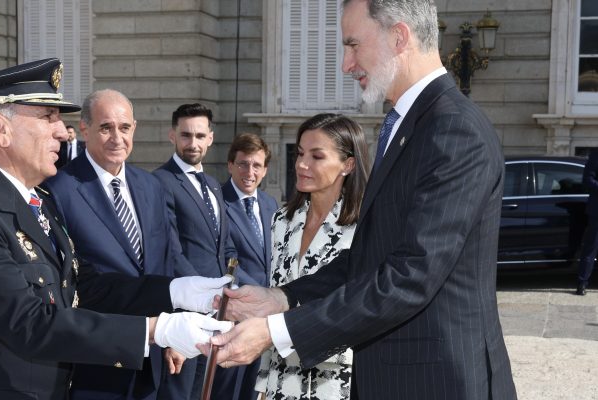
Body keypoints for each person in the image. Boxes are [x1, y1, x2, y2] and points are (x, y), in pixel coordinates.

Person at [205, 1, 518, 399]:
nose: (345, 64)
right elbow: (370, 256)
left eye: (353, 45)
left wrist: (277, 332)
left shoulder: (454, 131)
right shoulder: (413, 123)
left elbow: (410, 275)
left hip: (438, 383)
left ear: (399, 36)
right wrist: (281, 297)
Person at [0, 58, 233, 400]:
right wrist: (156, 330)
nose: (62, 132)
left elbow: (84, 289)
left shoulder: (37, 199)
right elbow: (28, 321)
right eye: (47, 117)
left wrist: (176, 291)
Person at [44, 89, 196, 400]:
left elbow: (165, 263)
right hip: (95, 361)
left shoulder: (152, 187)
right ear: (84, 129)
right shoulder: (58, 190)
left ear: (134, 129)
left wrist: (170, 335)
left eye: (124, 128)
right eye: (106, 127)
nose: (117, 138)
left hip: (152, 359)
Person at [255, 114, 369, 399]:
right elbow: (275, 297)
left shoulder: (367, 227)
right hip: (281, 379)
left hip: (338, 382)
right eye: (300, 153)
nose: (302, 164)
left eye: (317, 156)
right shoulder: (281, 220)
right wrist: (262, 385)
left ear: (348, 164)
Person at [153, 103, 235, 399]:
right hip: (185, 311)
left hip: (214, 310)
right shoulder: (160, 182)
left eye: (200, 136)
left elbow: (224, 246)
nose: (193, 143)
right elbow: (171, 253)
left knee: (203, 391)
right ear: (172, 136)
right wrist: (202, 297)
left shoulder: (213, 185)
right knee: (178, 392)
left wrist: (230, 289)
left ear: (210, 138)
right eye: (186, 135)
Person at [221, 133, 278, 400]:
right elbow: (223, 258)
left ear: (265, 170)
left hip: (266, 319)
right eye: (243, 164)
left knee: (254, 391)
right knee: (227, 391)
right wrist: (258, 298)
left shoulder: (270, 205)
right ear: (230, 165)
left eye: (256, 165)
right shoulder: (217, 203)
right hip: (235, 314)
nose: (249, 172)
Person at [577, 149, 598, 295]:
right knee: (590, 248)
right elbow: (587, 180)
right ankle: (582, 283)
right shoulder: (595, 155)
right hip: (597, 210)